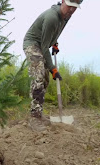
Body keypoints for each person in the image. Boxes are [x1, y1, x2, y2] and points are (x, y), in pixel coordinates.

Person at [23, 0, 83, 131]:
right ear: (63, 1)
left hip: (43, 44)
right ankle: (34, 118)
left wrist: (54, 42)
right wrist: (52, 69)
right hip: (33, 44)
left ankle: (39, 114)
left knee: (45, 79)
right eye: (70, 6)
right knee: (39, 75)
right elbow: (44, 47)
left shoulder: (65, 17)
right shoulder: (51, 18)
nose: (72, 10)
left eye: (75, 7)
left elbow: (56, 32)